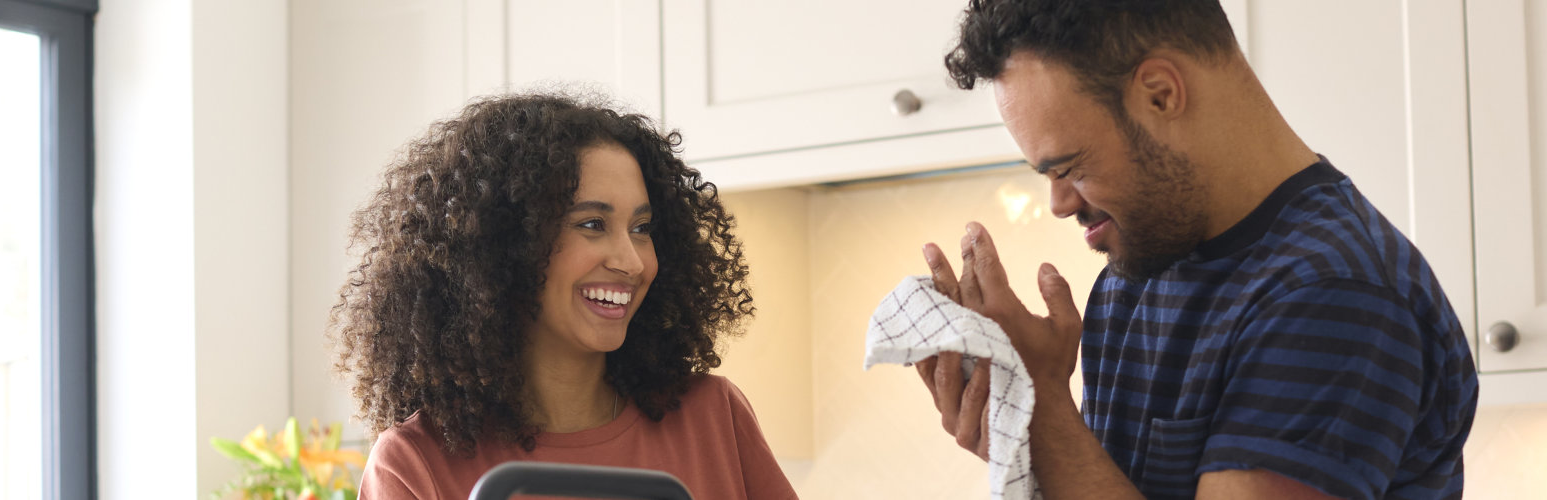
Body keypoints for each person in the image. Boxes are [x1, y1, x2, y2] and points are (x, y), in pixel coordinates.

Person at [913, 1, 1479, 499]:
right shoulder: (1143, 262)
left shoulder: (1332, 295)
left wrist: (1044, 418)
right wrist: (1023, 435)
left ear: (1161, 94)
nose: (1059, 202)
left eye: (1069, 167)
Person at [331, 91, 797, 500]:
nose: (631, 262)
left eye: (641, 228)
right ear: (506, 247)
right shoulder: (416, 463)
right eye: (592, 224)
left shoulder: (713, 418)